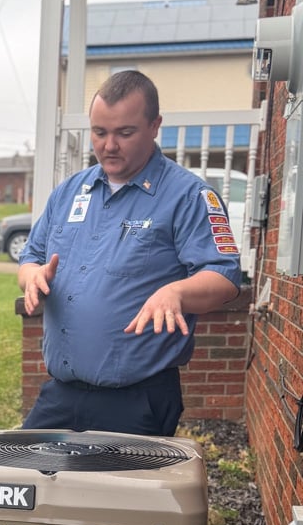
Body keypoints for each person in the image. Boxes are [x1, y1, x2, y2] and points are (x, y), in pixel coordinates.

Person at [19, 70, 243, 437]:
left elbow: (224, 278)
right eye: (99, 132)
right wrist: (32, 277)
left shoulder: (188, 196)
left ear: (155, 125)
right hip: (61, 394)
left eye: (125, 133)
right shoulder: (69, 192)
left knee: (120, 496)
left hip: (137, 400)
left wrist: (176, 292)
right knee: (36, 487)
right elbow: (30, 257)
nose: (109, 145)